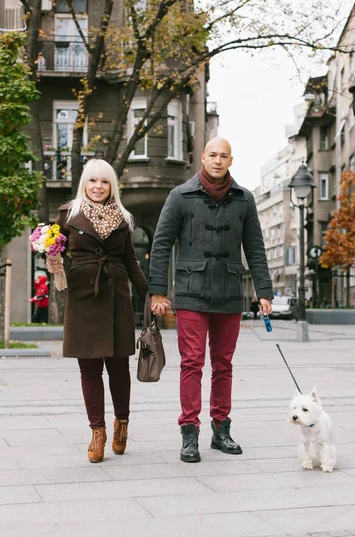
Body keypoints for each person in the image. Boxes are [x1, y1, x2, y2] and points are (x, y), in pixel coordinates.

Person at [149, 137, 273, 463]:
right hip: (190, 292)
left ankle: (222, 430)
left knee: (224, 365)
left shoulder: (244, 199)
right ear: (203, 157)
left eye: (224, 156)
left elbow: (256, 248)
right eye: (213, 155)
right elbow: (161, 245)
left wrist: (264, 292)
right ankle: (189, 432)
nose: (218, 160)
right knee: (191, 363)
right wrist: (158, 291)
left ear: (231, 160)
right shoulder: (180, 196)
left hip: (230, 293)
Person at [47, 159, 147, 463]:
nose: (98, 187)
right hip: (82, 296)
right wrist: (51, 257)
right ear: (84, 183)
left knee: (119, 367)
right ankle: (97, 432)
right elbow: (55, 251)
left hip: (116, 296)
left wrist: (150, 295)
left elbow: (130, 260)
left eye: (104, 182)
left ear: (111, 185)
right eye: (93, 181)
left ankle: (122, 424)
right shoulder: (68, 214)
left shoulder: (123, 217)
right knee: (88, 369)